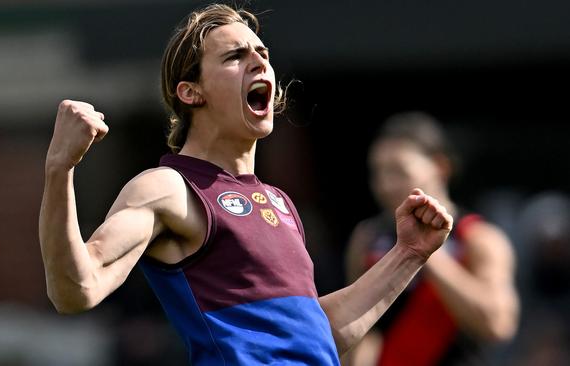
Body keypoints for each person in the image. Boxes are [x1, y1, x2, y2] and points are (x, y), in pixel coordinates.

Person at [39, 5, 453, 365]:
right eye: (236, 56)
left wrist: (409, 253)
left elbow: (318, 336)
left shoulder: (279, 202)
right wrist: (61, 169)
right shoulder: (168, 188)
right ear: (190, 92)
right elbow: (76, 290)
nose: (259, 61)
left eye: (263, 53)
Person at [343, 112, 519, 366]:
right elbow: (357, 328)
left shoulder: (478, 238)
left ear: (440, 167)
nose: (385, 185)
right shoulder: (368, 238)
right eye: (378, 172)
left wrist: (424, 252)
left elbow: (497, 324)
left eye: (398, 171)